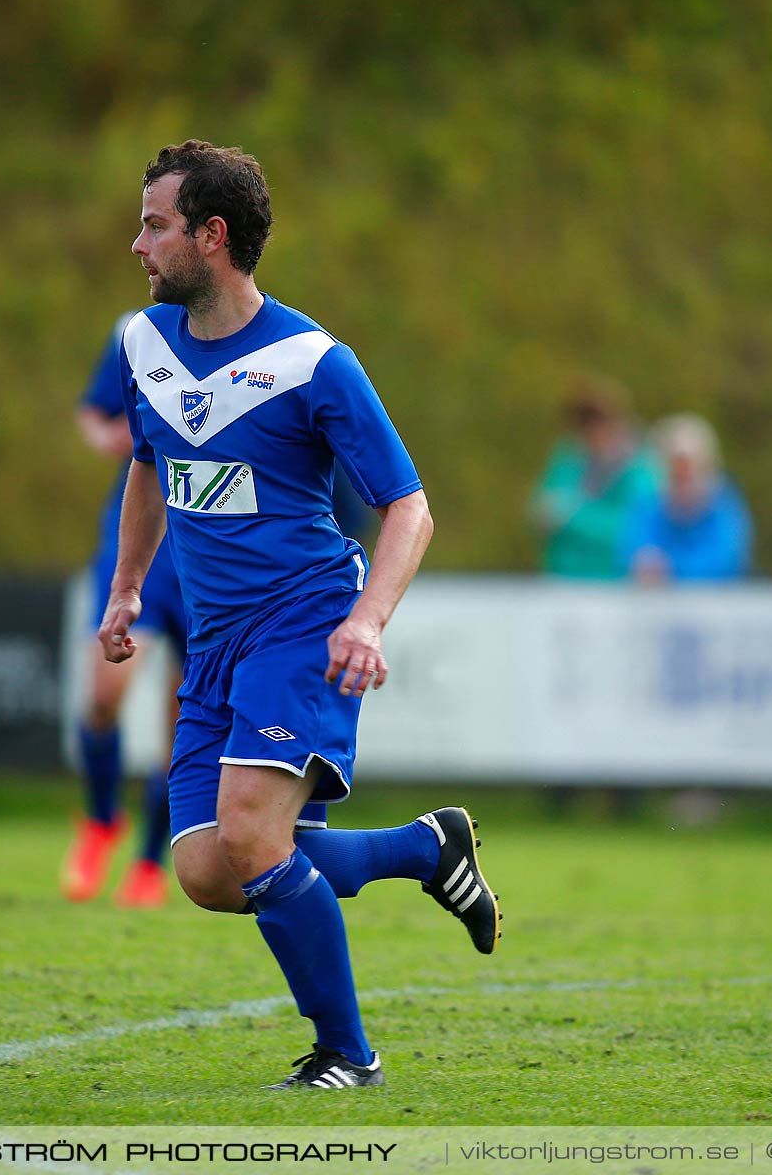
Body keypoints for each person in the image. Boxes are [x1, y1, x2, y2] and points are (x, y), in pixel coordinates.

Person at [100, 140, 501, 1090]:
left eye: (155, 226)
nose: (137, 244)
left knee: (248, 833)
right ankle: (424, 847)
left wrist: (365, 622)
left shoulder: (313, 362)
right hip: (216, 643)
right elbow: (149, 467)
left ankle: (347, 1056)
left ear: (213, 235)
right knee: (206, 870)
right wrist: (126, 587)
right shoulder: (142, 346)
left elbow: (409, 505)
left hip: (305, 621)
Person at [64, 311, 183, 907]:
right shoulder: (137, 333)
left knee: (182, 723)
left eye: (159, 227)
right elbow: (95, 411)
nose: (147, 245)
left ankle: (149, 862)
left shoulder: (262, 344)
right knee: (103, 697)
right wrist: (103, 435)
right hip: (138, 531)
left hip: (209, 540)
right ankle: (101, 819)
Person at [531, 380, 660, 579]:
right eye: (584, 421)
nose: (592, 429)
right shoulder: (567, 458)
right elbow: (540, 513)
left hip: (612, 584)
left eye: (598, 420)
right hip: (563, 578)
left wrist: (574, 515)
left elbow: (633, 528)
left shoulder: (639, 470)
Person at [621, 414, 753, 583]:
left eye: (688, 465)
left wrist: (671, 569)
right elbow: (630, 549)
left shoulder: (723, 505)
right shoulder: (649, 503)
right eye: (675, 466)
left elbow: (727, 560)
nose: (682, 473)